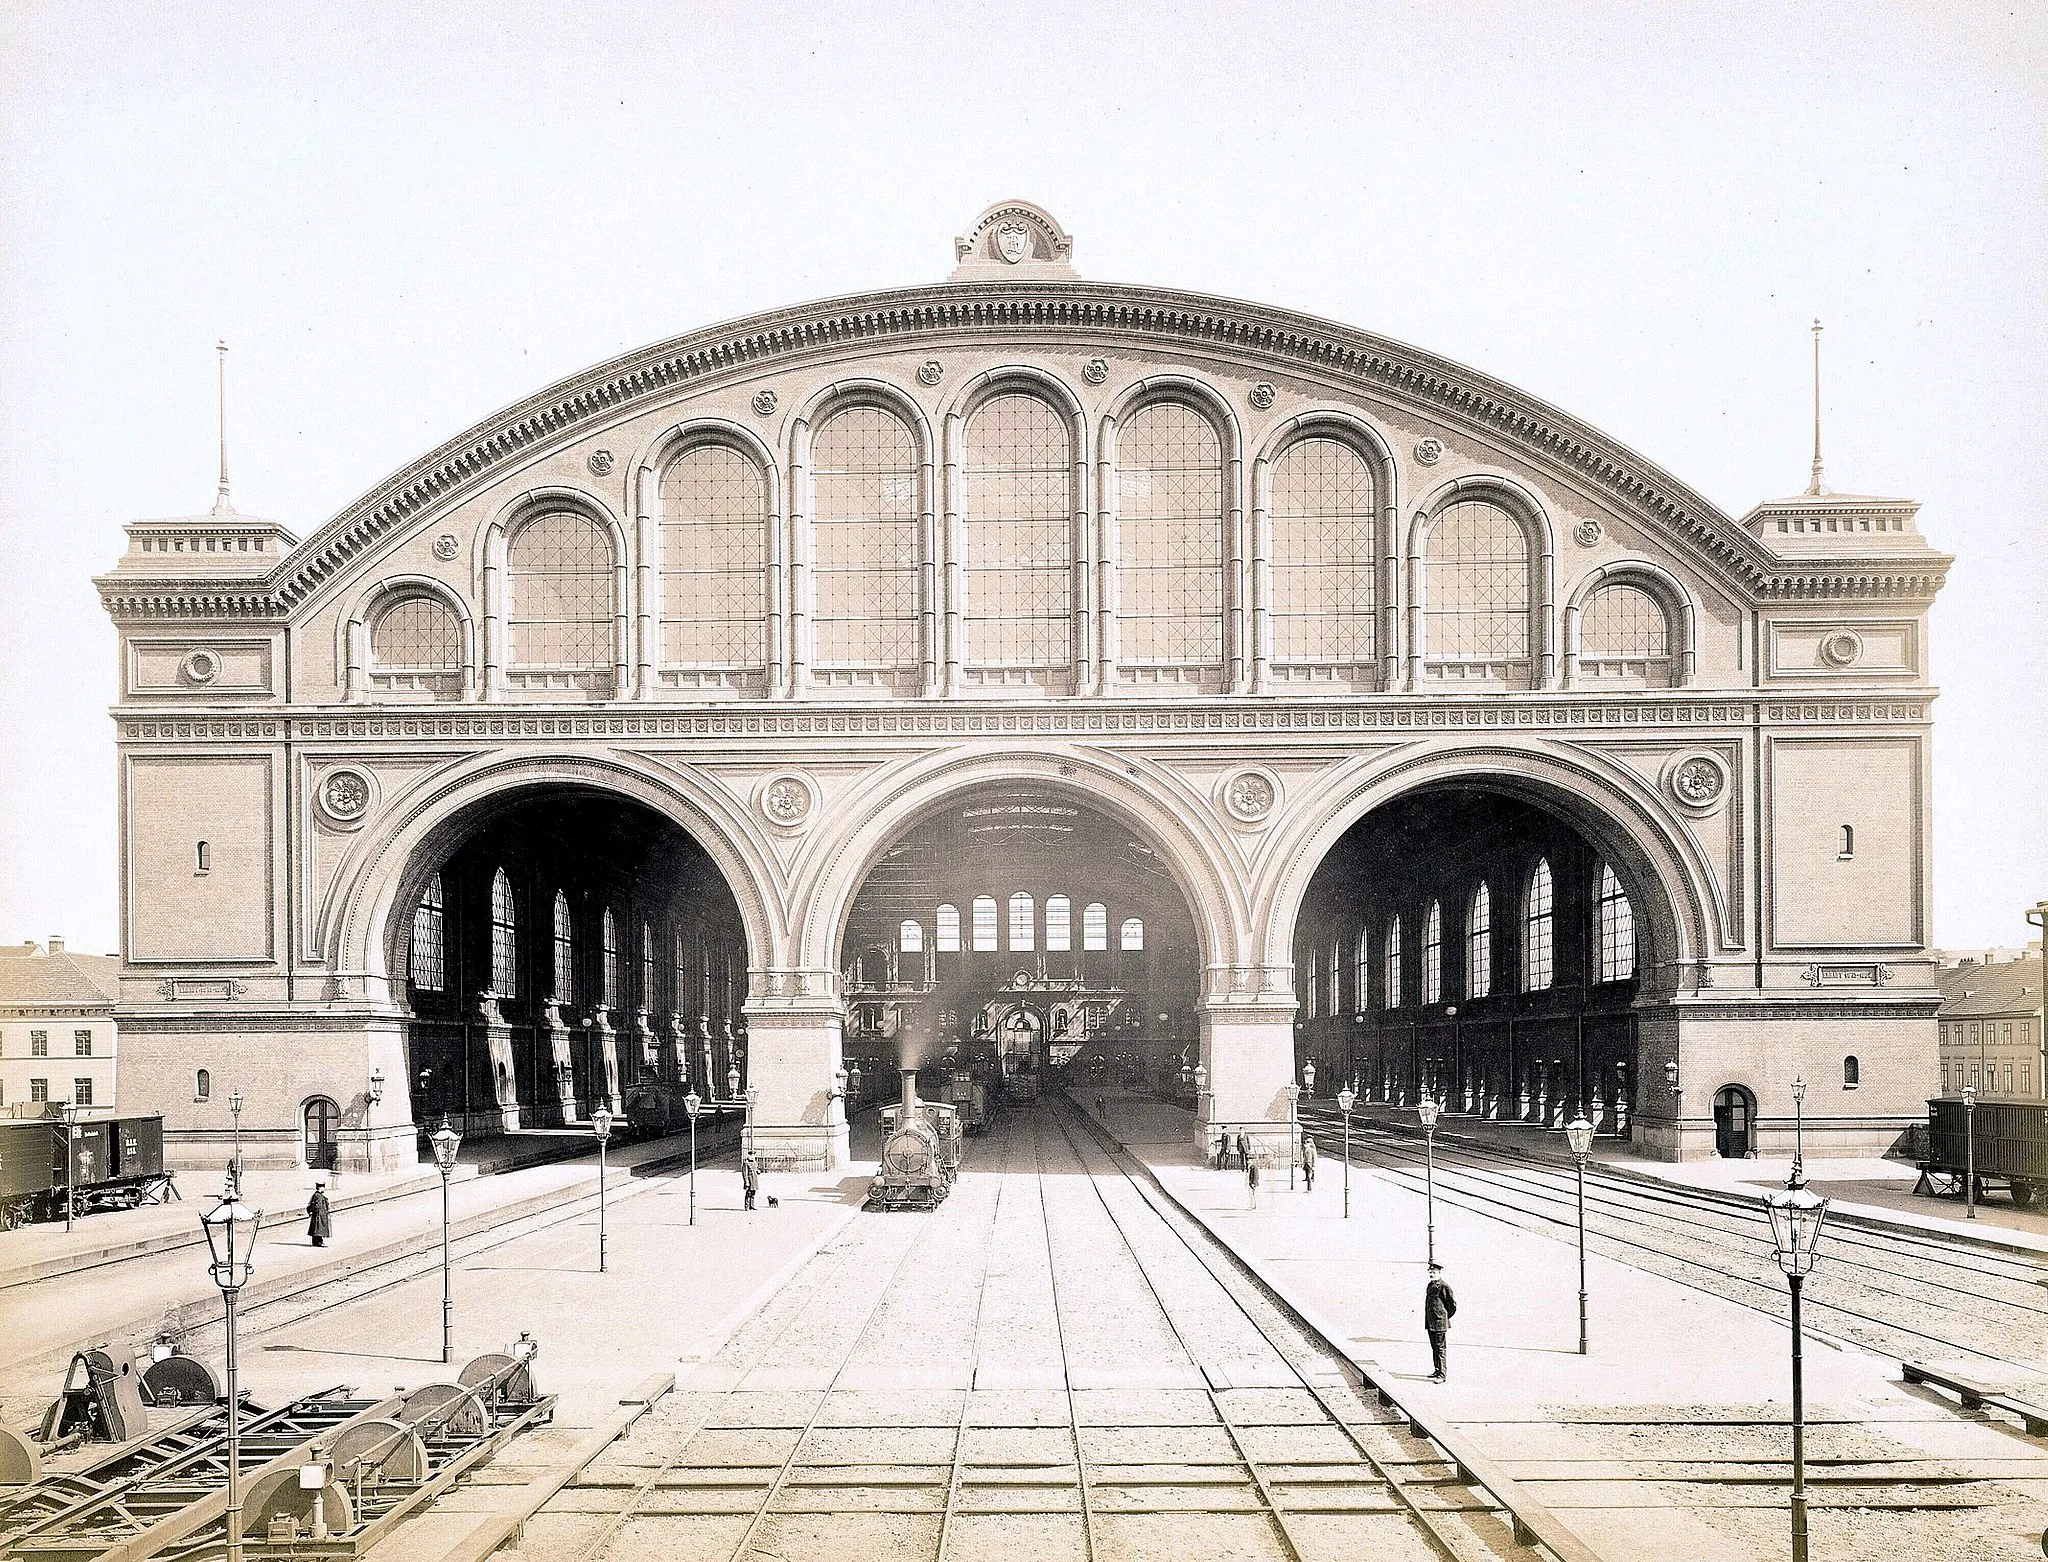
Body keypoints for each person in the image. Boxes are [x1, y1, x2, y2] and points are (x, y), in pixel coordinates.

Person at [1424, 1262, 1457, 1382]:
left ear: (1439, 1273)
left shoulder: (1444, 1286)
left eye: (1434, 1272)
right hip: (1431, 1323)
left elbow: (1452, 1305)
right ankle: (1437, 1370)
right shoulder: (1430, 1285)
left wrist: (1444, 1317)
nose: (1431, 1274)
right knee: (1434, 1348)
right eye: (1430, 1272)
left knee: (1441, 1349)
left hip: (1440, 1323)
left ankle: (1442, 1375)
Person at [306, 1183, 333, 1248]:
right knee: (318, 1229)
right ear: (319, 1188)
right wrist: (315, 1212)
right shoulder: (318, 1196)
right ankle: (319, 1242)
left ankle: (316, 1242)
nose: (324, 1189)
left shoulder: (317, 1195)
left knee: (317, 1229)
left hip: (320, 1215)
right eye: (323, 1187)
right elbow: (315, 1206)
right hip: (319, 1215)